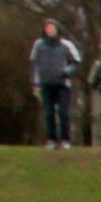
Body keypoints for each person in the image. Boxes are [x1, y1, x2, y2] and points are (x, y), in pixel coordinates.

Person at [28, 19, 80, 149]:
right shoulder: (38, 45)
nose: (49, 30)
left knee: (63, 112)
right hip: (45, 83)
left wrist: (66, 71)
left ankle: (65, 139)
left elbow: (76, 62)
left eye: (52, 28)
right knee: (48, 113)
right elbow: (34, 64)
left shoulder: (66, 45)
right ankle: (51, 139)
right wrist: (35, 83)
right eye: (47, 28)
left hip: (63, 83)